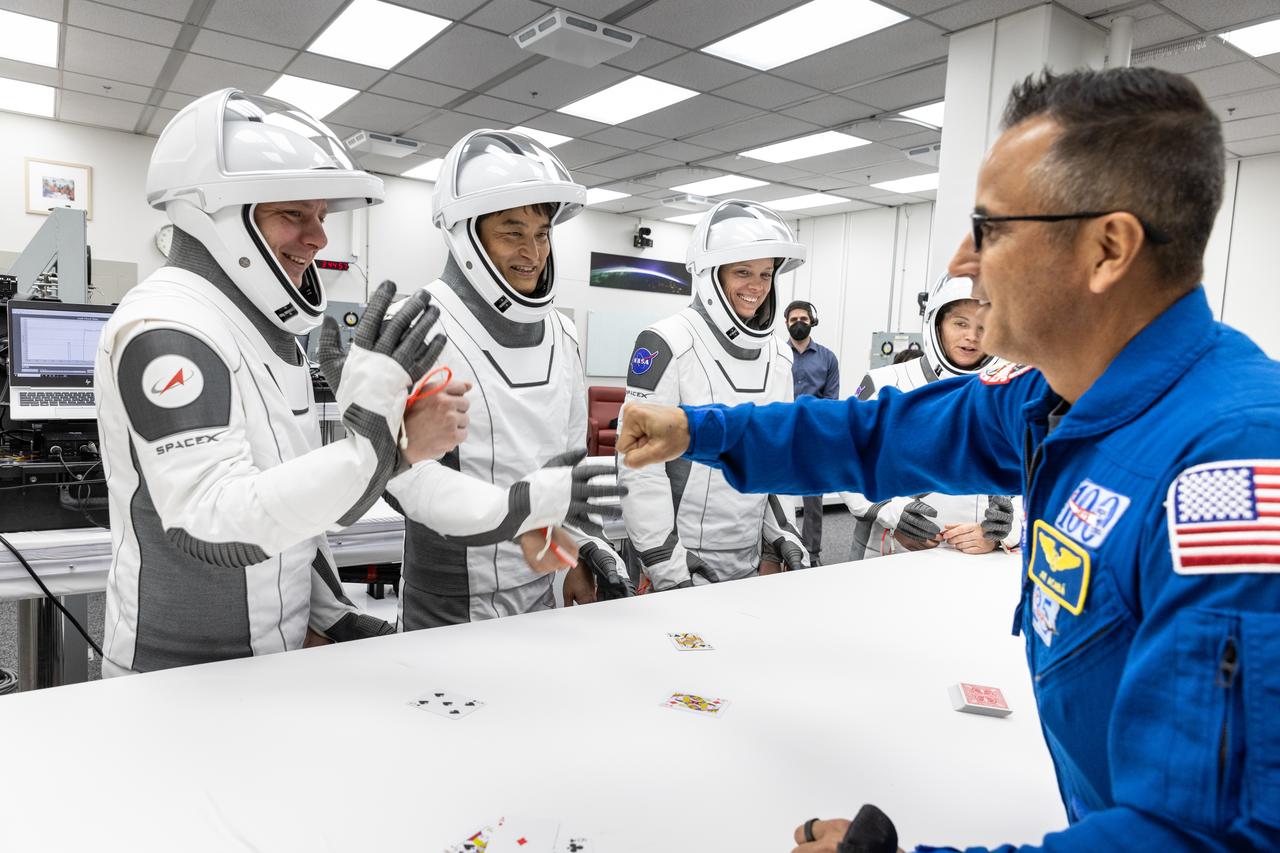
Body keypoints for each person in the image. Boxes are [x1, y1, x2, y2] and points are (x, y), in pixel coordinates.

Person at [618, 67, 1280, 852]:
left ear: (1107, 250)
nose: (964, 259)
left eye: (991, 228)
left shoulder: (1233, 468)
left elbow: (1205, 835)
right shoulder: (1051, 398)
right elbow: (871, 434)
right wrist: (699, 429)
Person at [95, 88, 467, 676]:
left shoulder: (267, 332)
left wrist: (333, 614)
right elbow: (211, 523)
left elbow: (289, 511)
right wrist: (386, 444)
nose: (319, 238)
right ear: (216, 215)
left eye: (321, 216)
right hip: (179, 675)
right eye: (294, 214)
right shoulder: (168, 326)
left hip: (274, 658)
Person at [384, 129, 627, 629]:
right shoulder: (417, 325)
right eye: (513, 233)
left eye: (542, 234)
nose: (533, 253)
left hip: (542, 579)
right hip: (449, 599)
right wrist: (516, 509)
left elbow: (568, 467)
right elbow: (395, 476)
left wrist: (580, 550)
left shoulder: (562, 333)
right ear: (466, 236)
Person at [617, 200, 809, 590]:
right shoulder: (668, 341)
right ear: (710, 275)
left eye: (766, 274)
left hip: (748, 556)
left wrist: (781, 535)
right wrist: (665, 562)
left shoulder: (778, 354)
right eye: (743, 272)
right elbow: (640, 464)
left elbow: (777, 454)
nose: (757, 287)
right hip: (680, 559)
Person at [841, 274, 1018, 561]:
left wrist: (1006, 531)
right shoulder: (886, 382)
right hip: (890, 555)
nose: (972, 336)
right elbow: (845, 459)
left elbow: (1035, 479)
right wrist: (892, 512)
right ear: (937, 324)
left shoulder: (1009, 393)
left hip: (977, 563)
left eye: (984, 326)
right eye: (960, 323)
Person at [785, 300, 839, 565]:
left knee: (813, 498)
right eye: (793, 319)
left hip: (812, 433)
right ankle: (776, 548)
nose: (798, 323)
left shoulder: (828, 358)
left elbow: (831, 400)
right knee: (771, 493)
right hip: (780, 430)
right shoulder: (775, 354)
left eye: (803, 319)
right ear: (786, 324)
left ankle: (812, 554)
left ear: (812, 322)